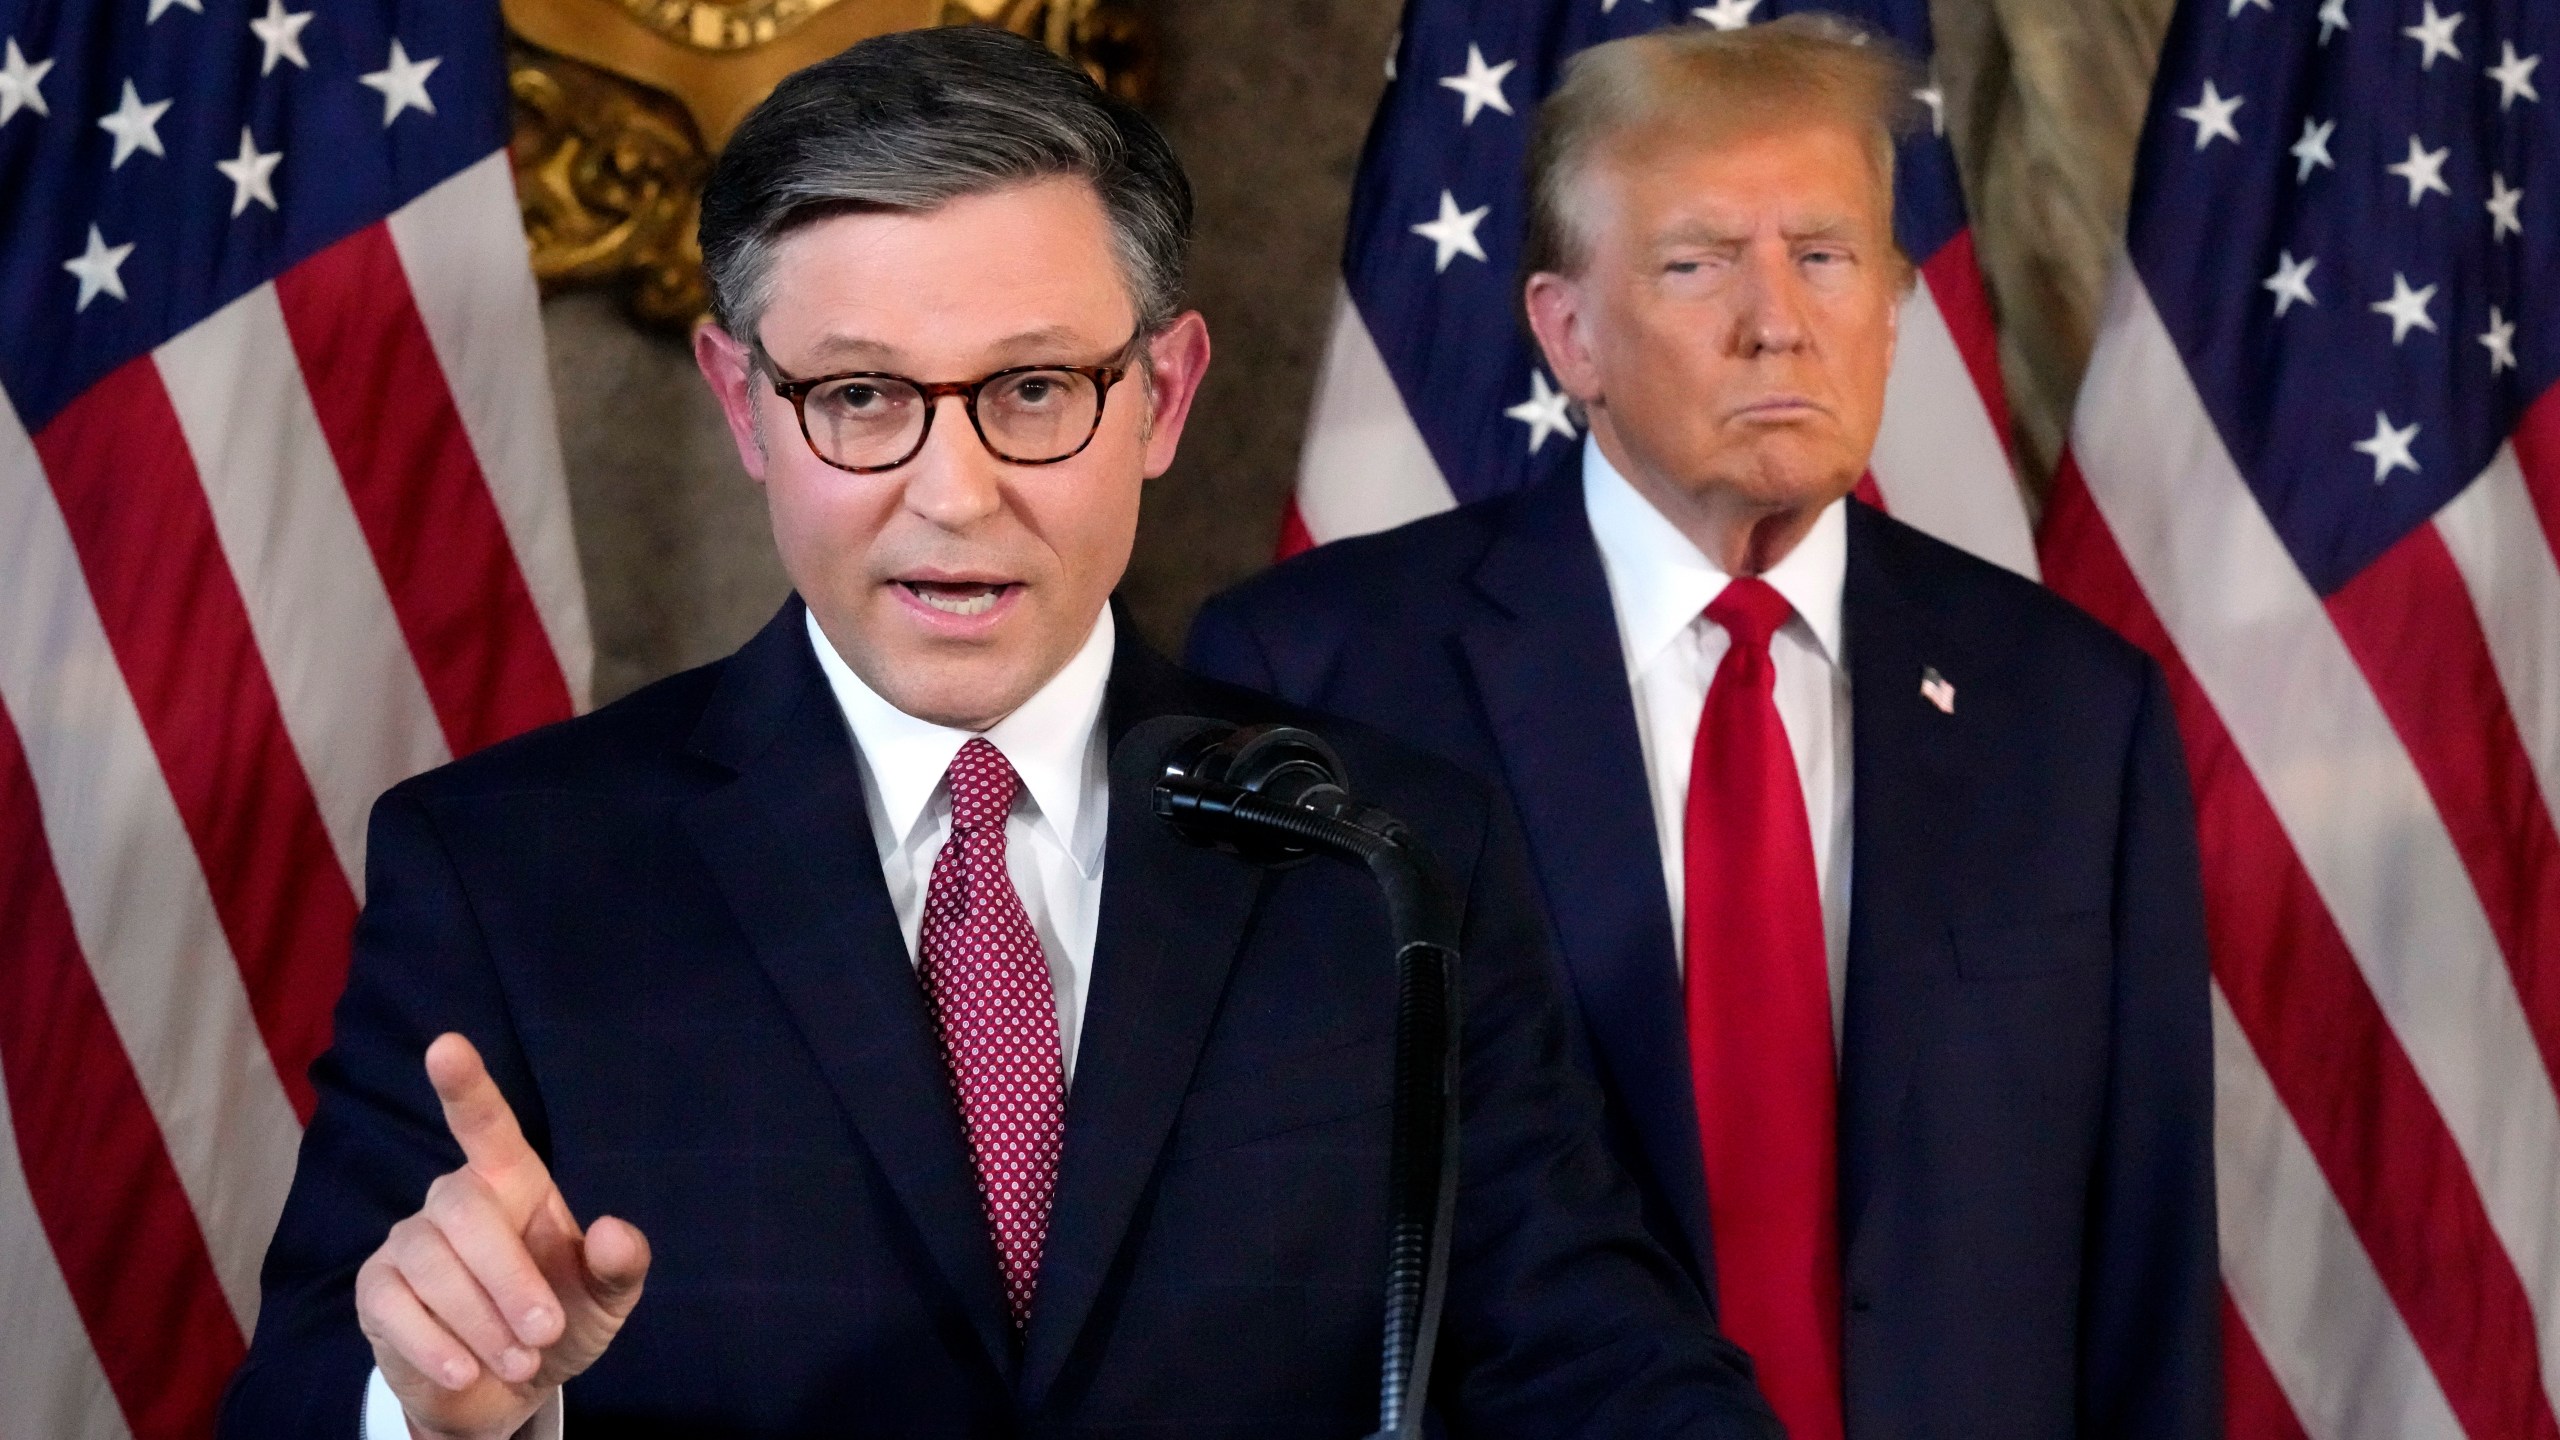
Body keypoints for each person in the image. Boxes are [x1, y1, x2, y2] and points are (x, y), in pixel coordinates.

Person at [217, 25, 1781, 1440]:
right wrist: (423, 1414)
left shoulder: (1391, 854)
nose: (954, 493)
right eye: (860, 397)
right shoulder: (506, 872)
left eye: (1036, 389)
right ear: (744, 404)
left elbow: (1602, 1370)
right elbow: (302, 1403)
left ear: (1165, 398)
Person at [1189, 17, 2218, 1440]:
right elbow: (1266, 1235)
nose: (1776, 318)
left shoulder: (2074, 708)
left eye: (1825, 254)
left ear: (1895, 304)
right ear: (1568, 332)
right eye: (1696, 262)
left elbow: (2147, 1258)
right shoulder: (1325, 674)